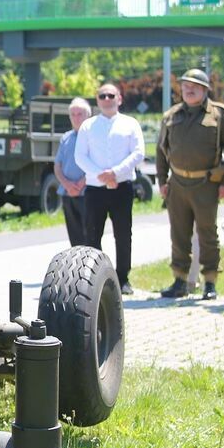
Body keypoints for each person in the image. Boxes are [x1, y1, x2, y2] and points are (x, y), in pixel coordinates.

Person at [154, 69, 224, 300]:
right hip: (178, 184)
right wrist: (162, 181)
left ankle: (209, 282)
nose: (188, 90)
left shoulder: (219, 115)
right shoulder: (171, 115)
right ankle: (179, 280)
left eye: (194, 86)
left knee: (207, 234)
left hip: (206, 185)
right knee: (179, 234)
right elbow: (161, 151)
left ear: (204, 90)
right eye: (185, 86)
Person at [74, 82, 144, 294]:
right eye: (102, 96)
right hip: (95, 189)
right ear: (97, 100)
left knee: (123, 234)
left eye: (110, 95)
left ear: (119, 99)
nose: (106, 99)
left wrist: (115, 173)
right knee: (92, 234)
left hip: (122, 186)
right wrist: (102, 176)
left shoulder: (130, 124)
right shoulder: (88, 125)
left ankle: (123, 278)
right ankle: (94, 278)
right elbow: (80, 156)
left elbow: (138, 153)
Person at [52, 97, 91, 247]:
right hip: (67, 193)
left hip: (87, 193)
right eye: (73, 114)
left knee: (89, 235)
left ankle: (92, 268)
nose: (76, 118)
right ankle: (77, 268)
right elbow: (57, 166)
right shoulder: (66, 138)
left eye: (79, 114)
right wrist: (67, 185)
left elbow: (97, 165)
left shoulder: (92, 137)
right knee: (74, 236)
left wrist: (81, 184)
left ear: (87, 116)